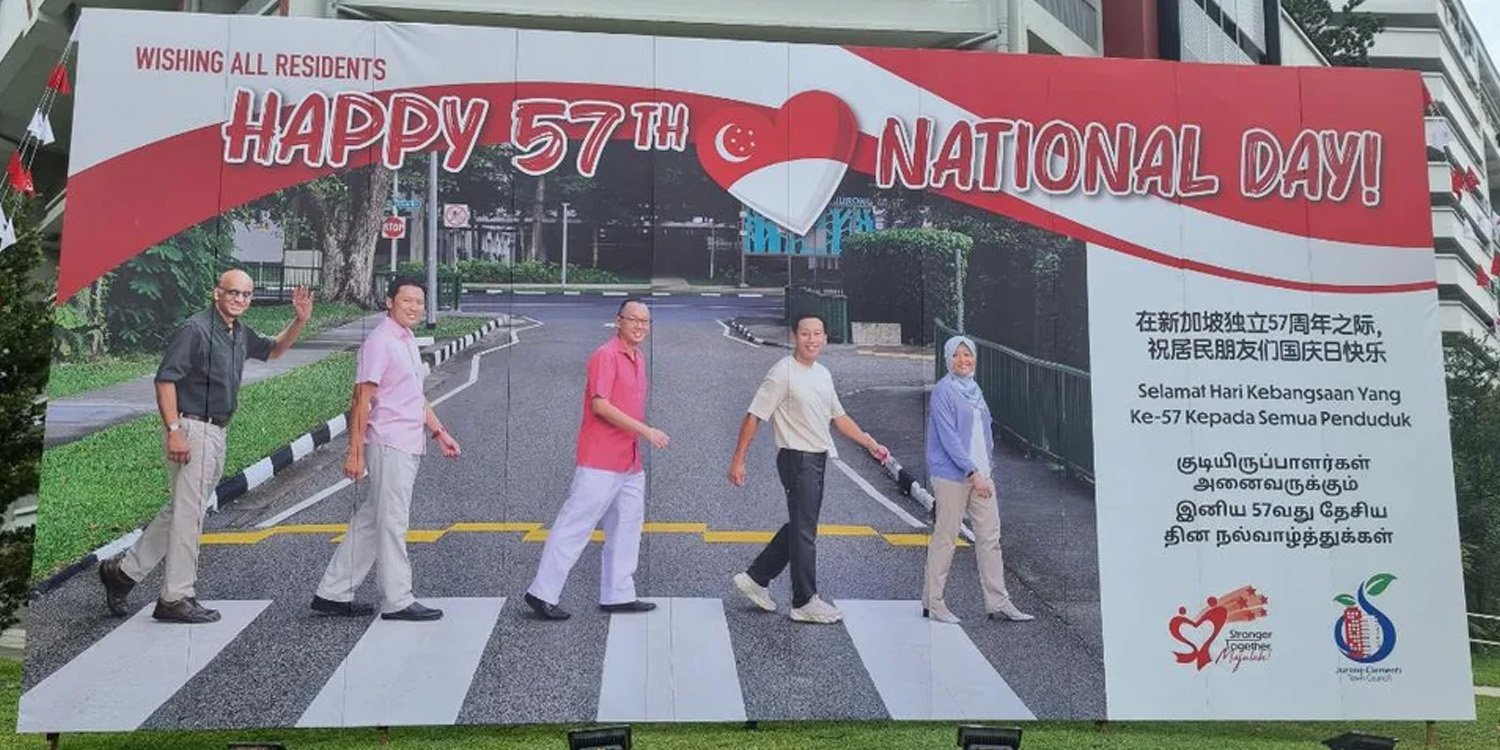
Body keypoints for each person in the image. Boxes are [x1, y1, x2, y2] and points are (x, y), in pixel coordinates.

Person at [97, 271, 312, 624]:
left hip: (216, 432)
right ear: (217, 293)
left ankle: (122, 573)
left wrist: (298, 321)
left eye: (246, 294)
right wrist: (174, 431)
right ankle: (175, 597)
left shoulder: (238, 332)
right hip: (192, 427)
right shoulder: (195, 330)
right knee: (189, 515)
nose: (240, 299)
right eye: (234, 293)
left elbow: (273, 350)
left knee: (182, 508)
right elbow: (165, 380)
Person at [310, 276, 461, 622]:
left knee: (371, 519)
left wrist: (439, 432)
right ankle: (397, 599)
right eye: (406, 300)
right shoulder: (381, 341)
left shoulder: (405, 339)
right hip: (389, 443)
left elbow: (413, 395)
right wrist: (355, 451)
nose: (414, 307)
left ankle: (332, 592)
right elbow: (360, 399)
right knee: (393, 522)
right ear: (389, 302)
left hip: (407, 441)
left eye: (419, 302)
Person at [727, 313, 887, 624]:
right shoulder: (782, 373)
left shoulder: (823, 374)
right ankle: (804, 600)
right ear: (794, 336)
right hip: (796, 458)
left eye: (817, 334)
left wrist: (869, 442)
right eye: (805, 334)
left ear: (825, 338)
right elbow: (754, 415)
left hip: (816, 457)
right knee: (804, 530)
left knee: (801, 525)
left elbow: (838, 418)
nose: (811, 340)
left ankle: (756, 578)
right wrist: (738, 459)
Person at [524, 299, 668, 621]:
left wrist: (638, 438)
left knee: (628, 526)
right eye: (634, 320)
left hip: (629, 460)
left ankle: (618, 593)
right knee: (575, 525)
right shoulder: (606, 355)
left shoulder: (638, 357)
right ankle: (542, 592)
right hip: (600, 459)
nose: (641, 326)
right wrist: (646, 431)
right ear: (618, 321)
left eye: (646, 322)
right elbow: (600, 406)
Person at [922, 335, 1034, 624]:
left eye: (968, 355)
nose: (963, 360)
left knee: (990, 539)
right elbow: (949, 439)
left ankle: (998, 602)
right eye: (957, 356)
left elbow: (982, 433)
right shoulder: (943, 391)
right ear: (948, 359)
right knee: (946, 538)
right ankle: (934, 602)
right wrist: (971, 471)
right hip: (953, 476)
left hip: (982, 475)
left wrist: (985, 469)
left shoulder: (974, 389)